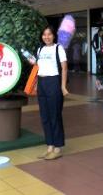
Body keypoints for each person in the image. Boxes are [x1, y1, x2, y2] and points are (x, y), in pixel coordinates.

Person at [33, 25, 68, 160]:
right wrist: (36, 84)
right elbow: (38, 67)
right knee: (45, 116)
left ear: (54, 36)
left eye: (49, 34)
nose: (46, 37)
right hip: (41, 83)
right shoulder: (40, 49)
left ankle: (58, 148)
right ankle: (49, 146)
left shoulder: (59, 48)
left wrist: (63, 86)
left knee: (55, 115)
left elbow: (64, 69)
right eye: (44, 34)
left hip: (54, 82)